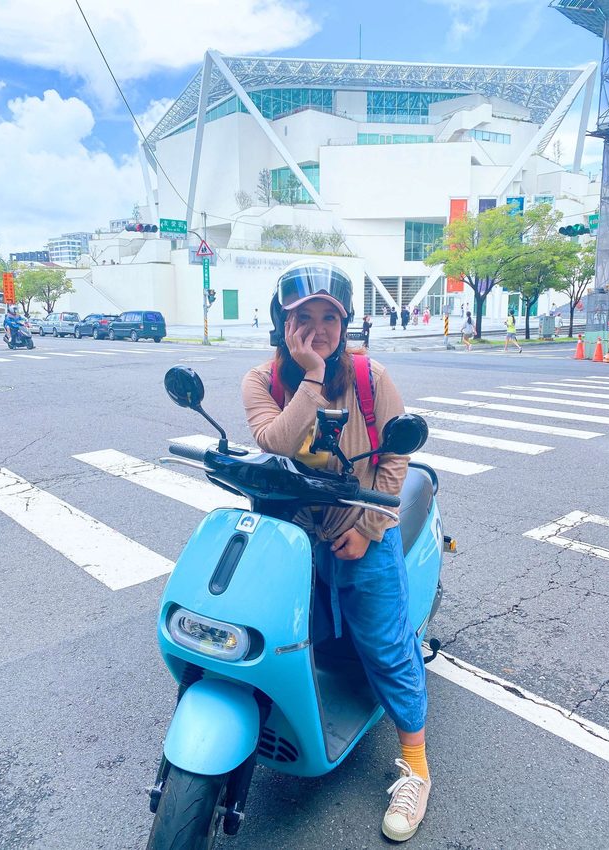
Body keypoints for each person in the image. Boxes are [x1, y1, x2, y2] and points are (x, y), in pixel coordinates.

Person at [242, 261, 432, 842]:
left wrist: (370, 527)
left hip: (361, 526)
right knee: (282, 630)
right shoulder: (261, 381)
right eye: (304, 316)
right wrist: (311, 377)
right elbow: (274, 442)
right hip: (295, 533)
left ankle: (417, 768)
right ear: (282, 322)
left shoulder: (371, 378)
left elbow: (395, 459)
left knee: (385, 644)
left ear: (345, 324)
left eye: (330, 317)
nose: (318, 328)